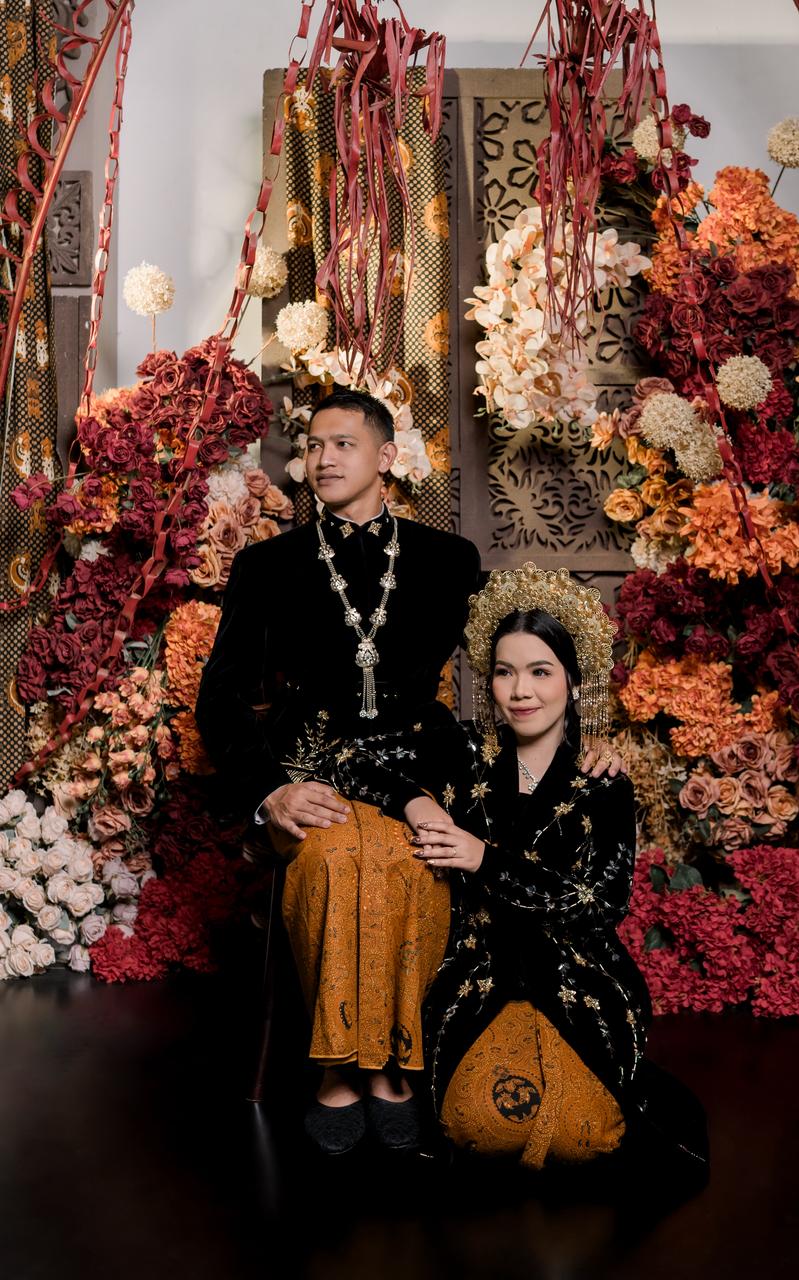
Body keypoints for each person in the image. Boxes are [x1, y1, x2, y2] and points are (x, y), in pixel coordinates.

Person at [318, 564, 707, 1172]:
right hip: (477, 977)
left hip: (579, 980)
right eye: (505, 672)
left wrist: (484, 859)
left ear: (574, 680)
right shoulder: (460, 749)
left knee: (582, 1136)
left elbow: (601, 904)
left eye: (540, 671)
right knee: (485, 1125)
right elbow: (345, 757)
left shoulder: (602, 780)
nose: (521, 691)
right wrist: (415, 800)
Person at [195, 388, 483, 1155]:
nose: (322, 458)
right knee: (334, 860)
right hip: (308, 774)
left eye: (342, 444)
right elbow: (219, 697)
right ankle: (337, 1071)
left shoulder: (449, 561)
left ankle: (393, 1067)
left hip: (417, 773)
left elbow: (521, 664)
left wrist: (570, 740)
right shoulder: (267, 565)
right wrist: (271, 792)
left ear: (386, 457)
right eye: (314, 445)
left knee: (409, 862)